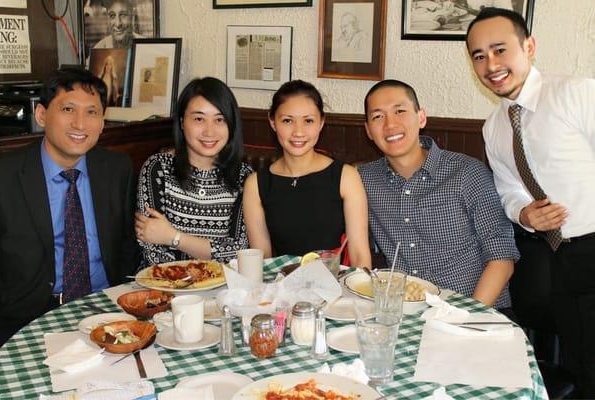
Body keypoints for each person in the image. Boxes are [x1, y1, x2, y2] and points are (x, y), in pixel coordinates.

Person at [466, 7, 595, 397]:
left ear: (529, 47)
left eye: (500, 49)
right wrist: (523, 213)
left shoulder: (576, 92)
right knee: (582, 367)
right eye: (478, 55)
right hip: (560, 259)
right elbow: (508, 190)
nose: (491, 64)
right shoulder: (494, 127)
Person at [0, 68, 140, 352]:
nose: (80, 123)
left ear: (102, 123)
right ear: (41, 115)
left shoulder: (116, 169)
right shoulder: (3, 177)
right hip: (24, 320)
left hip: (104, 309)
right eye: (68, 109)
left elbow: (126, 247)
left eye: (92, 113)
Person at [358, 79, 519, 310]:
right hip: (408, 312)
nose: (390, 124)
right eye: (377, 117)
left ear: (421, 117)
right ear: (368, 131)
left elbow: (501, 258)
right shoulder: (363, 180)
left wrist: (463, 318)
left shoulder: (467, 173)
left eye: (400, 111)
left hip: (478, 310)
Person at [243, 80, 371, 267]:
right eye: (287, 121)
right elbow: (264, 262)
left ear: (321, 123)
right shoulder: (256, 184)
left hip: (336, 288)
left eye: (308, 121)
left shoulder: (346, 177)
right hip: (282, 288)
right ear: (273, 122)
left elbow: (360, 256)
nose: (298, 132)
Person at [135, 77, 252, 265]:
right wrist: (188, 283)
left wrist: (174, 237)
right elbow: (151, 247)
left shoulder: (244, 177)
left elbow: (241, 250)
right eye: (199, 119)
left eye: (219, 120)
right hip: (165, 286)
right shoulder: (158, 168)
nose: (209, 131)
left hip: (225, 287)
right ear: (182, 122)